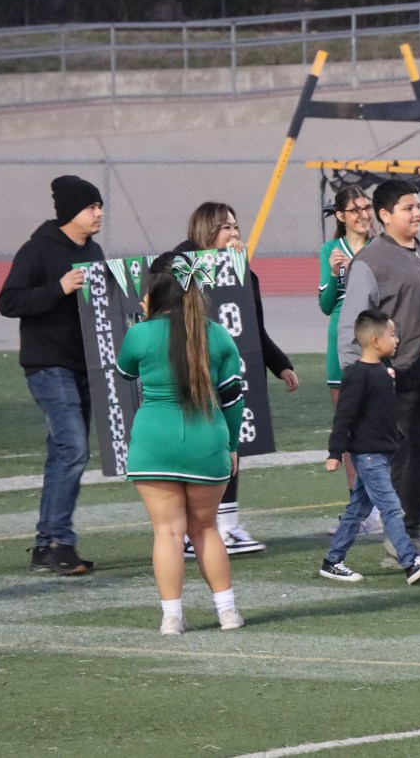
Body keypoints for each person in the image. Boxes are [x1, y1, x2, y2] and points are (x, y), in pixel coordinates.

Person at [116, 252, 246, 634]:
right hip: (208, 439)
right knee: (205, 529)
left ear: (154, 295)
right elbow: (233, 398)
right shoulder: (218, 334)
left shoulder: (139, 334)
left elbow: (125, 372)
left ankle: (171, 617)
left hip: (155, 443)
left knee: (168, 533)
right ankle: (227, 613)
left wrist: (142, 320)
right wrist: (233, 444)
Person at [337, 179, 420, 561]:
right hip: (391, 380)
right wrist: (361, 376)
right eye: (407, 208)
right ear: (385, 215)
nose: (417, 213)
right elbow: (352, 326)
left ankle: (407, 533)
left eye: (419, 206)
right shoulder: (370, 261)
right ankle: (398, 541)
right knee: (398, 458)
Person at [178, 201, 299, 556]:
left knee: (232, 444)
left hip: (229, 372)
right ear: (206, 229)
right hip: (195, 373)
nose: (234, 233)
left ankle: (226, 525)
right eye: (226, 227)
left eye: (235, 226)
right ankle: (193, 529)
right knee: (203, 448)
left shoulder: (239, 269)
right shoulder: (182, 263)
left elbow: (250, 327)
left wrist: (280, 364)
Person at [0, 175, 105, 576]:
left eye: (100, 207)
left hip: (84, 366)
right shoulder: (37, 250)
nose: (99, 214)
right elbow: (8, 301)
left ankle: (47, 547)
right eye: (92, 207)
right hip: (48, 366)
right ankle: (60, 542)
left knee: (64, 453)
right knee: (74, 449)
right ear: (70, 212)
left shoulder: (94, 251)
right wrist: (57, 288)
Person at [320, 309, 420, 585]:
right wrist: (335, 452)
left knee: (357, 509)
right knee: (391, 507)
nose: (397, 339)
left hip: (381, 453)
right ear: (375, 341)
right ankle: (410, 562)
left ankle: (332, 561)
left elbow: (408, 380)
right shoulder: (357, 375)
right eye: (391, 334)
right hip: (367, 456)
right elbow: (344, 416)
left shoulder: (385, 368)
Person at [318, 185, 382, 536]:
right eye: (355, 210)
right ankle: (361, 511)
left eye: (367, 208)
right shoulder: (330, 249)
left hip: (376, 342)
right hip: (340, 343)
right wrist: (332, 274)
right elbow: (326, 306)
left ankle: (386, 504)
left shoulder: (381, 248)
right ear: (341, 216)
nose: (363, 215)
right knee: (349, 429)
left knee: (382, 425)